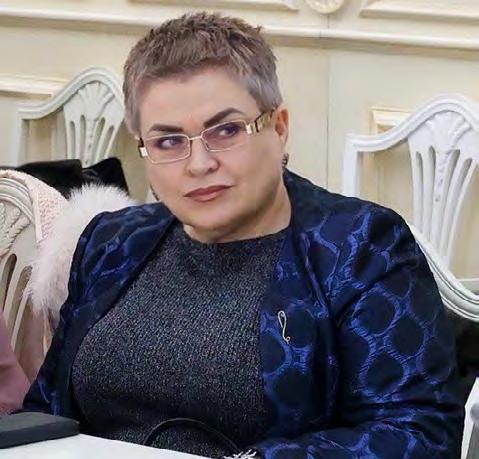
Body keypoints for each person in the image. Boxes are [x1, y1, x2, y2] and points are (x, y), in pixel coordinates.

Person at [22, 12, 464, 459]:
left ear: (279, 127)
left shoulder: (358, 248)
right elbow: (44, 413)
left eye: (226, 130)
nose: (199, 164)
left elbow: (417, 435)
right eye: (169, 141)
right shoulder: (112, 242)